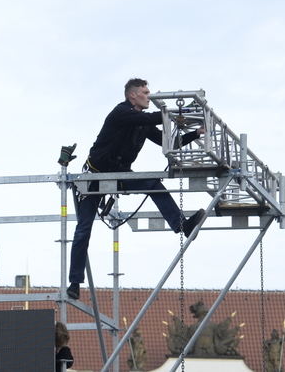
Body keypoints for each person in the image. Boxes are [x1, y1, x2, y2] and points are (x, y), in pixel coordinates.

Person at [67, 78, 206, 300]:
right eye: (145, 92)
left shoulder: (143, 124)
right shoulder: (121, 113)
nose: (149, 97)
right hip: (95, 177)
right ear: (133, 95)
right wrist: (184, 111)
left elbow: (170, 143)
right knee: (83, 229)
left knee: (153, 183)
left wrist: (196, 133)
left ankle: (182, 225)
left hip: (120, 174)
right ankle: (74, 283)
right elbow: (153, 118)